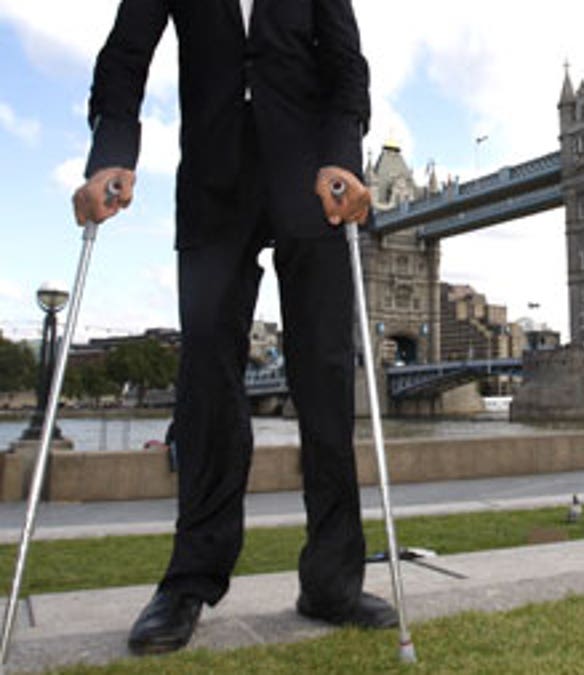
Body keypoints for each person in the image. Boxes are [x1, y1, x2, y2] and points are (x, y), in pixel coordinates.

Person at [73, 1, 393, 656]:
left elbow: (346, 64)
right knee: (207, 378)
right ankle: (189, 579)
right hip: (215, 180)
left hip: (313, 181)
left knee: (325, 376)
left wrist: (343, 157)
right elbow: (127, 51)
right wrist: (112, 150)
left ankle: (331, 580)